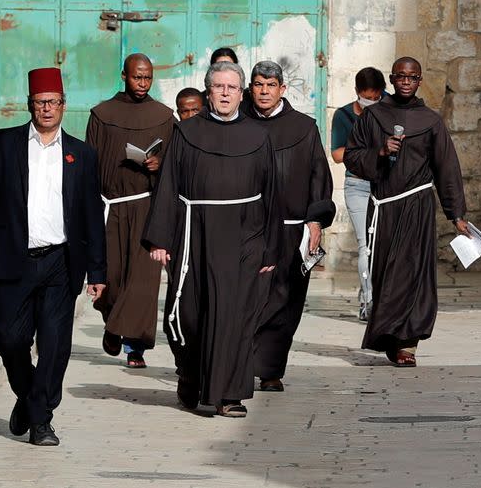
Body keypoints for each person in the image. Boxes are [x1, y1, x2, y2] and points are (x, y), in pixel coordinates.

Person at [0, 67, 106, 446]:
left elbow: (93, 214)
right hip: (15, 259)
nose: (47, 109)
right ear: (30, 105)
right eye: (40, 102)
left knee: (55, 343)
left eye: (54, 102)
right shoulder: (4, 143)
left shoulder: (82, 153)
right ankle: (28, 398)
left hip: (62, 262)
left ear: (64, 106)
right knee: (10, 339)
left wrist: (97, 269)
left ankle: (41, 420)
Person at [142, 61, 280, 417]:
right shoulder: (187, 133)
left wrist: (271, 245)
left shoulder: (259, 135)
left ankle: (230, 394)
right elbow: (169, 184)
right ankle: (192, 378)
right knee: (192, 315)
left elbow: (272, 194)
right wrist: (161, 238)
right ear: (208, 91)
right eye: (218, 87)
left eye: (231, 88)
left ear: (241, 92)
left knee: (236, 315)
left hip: (245, 236)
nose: (224, 93)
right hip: (196, 234)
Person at [345, 56, 471, 367]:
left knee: (413, 275)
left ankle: (407, 345)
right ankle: (390, 336)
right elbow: (352, 157)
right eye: (400, 76)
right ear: (391, 79)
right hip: (385, 208)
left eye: (412, 77)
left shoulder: (431, 121)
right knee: (387, 273)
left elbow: (447, 168)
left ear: (419, 81)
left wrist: (456, 214)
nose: (405, 81)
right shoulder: (372, 118)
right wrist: (380, 151)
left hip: (417, 207)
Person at [248, 61, 335, 392]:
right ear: (250, 88)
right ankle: (241, 362)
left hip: (292, 229)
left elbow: (319, 177)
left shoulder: (304, 127)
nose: (264, 91)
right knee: (248, 298)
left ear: (282, 89)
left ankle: (270, 369)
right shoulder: (238, 124)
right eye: (258, 85)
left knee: (286, 300)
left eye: (271, 85)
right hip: (249, 230)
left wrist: (315, 220)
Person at [85, 53, 174, 368]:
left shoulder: (164, 116)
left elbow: (176, 163)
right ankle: (113, 321)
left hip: (146, 205)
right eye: (138, 77)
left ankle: (134, 347)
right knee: (111, 278)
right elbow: (88, 163)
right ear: (123, 75)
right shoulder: (101, 114)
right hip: (109, 206)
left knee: (143, 281)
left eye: (148, 77)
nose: (143, 83)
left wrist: (159, 164)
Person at [330, 67, 386, 321]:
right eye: (367, 98)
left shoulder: (389, 111)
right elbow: (338, 155)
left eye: (376, 98)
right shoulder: (343, 116)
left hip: (387, 186)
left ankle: (384, 297)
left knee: (385, 247)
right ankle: (368, 300)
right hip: (359, 184)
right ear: (357, 94)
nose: (372, 103)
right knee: (366, 247)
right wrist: (366, 147)